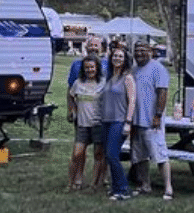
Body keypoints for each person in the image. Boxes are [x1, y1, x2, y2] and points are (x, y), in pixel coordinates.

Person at [130, 41, 173, 200]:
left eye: (143, 50)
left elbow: (162, 93)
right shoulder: (134, 70)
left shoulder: (158, 68)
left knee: (159, 154)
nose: (139, 53)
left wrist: (158, 115)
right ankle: (145, 185)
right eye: (137, 50)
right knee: (139, 156)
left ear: (150, 51)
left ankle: (168, 188)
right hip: (136, 121)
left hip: (152, 121)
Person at [66, 35, 109, 188]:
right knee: (78, 152)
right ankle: (76, 179)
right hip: (82, 119)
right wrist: (71, 110)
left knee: (100, 152)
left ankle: (99, 180)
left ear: (102, 48)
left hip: (99, 120)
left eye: (96, 45)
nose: (93, 48)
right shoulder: (76, 65)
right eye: (90, 45)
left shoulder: (108, 65)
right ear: (86, 47)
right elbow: (70, 91)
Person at [100, 46, 136, 201]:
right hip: (106, 121)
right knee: (108, 156)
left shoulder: (127, 78)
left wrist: (128, 122)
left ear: (125, 59)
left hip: (119, 120)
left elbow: (132, 101)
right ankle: (116, 188)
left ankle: (123, 189)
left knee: (112, 154)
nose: (117, 59)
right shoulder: (109, 77)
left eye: (120, 56)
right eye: (115, 56)